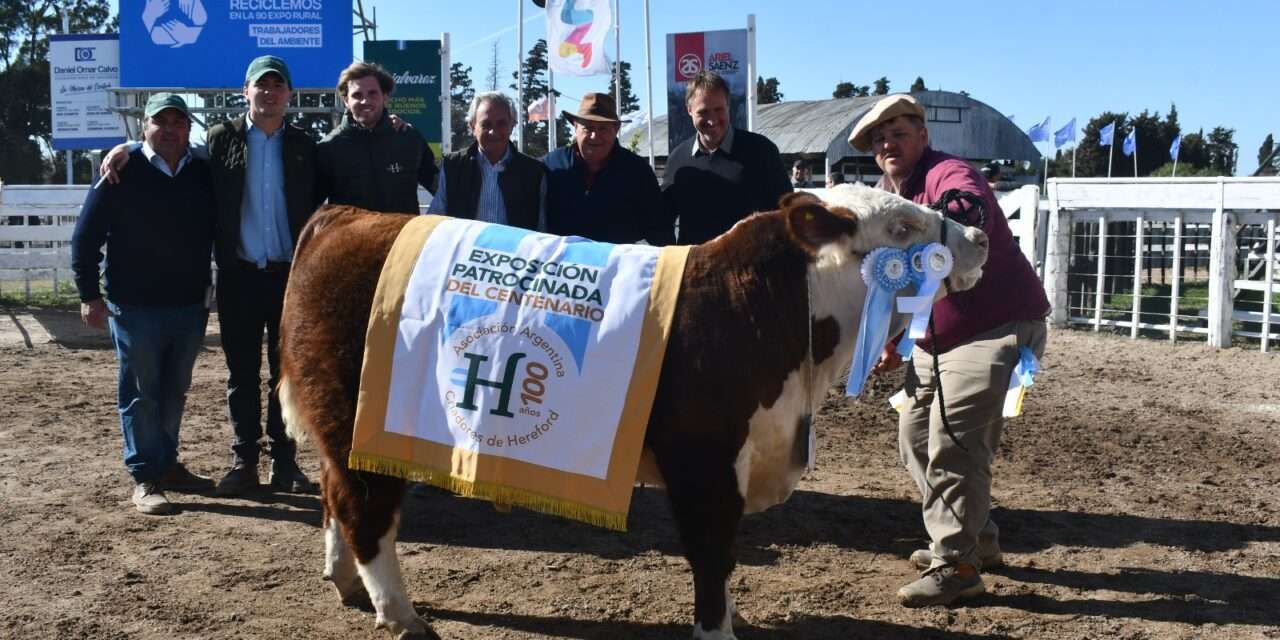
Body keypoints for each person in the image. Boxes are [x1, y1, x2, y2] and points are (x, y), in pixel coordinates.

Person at [849, 94, 1051, 607]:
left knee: (955, 442)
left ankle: (957, 566)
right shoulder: (888, 192)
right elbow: (890, 280)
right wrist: (893, 339)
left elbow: (967, 208)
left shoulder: (948, 172)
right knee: (915, 435)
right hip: (936, 335)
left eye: (898, 132)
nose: (888, 143)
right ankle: (974, 538)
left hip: (995, 327)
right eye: (879, 139)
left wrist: (940, 218)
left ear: (923, 135)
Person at [70, 93, 217, 515]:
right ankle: (144, 475)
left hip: (189, 304)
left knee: (175, 391)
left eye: (178, 121)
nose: (169, 129)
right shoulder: (121, 171)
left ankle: (167, 464)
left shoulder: (203, 171)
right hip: (134, 306)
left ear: (189, 127)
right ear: (145, 126)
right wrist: (88, 295)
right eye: (160, 122)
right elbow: (85, 239)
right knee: (140, 393)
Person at [661, 71, 792, 245]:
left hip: (749, 266)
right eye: (703, 112)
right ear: (689, 110)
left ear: (728, 105)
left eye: (718, 110)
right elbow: (662, 220)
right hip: (696, 267)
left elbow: (785, 212)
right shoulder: (677, 160)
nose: (712, 119)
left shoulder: (761, 151)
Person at [542, 92, 673, 245]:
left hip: (618, 266)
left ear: (616, 129)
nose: (594, 136)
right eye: (588, 128)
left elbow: (659, 229)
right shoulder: (552, 164)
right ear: (575, 127)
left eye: (603, 128)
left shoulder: (637, 171)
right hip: (564, 265)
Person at [315, 61, 437, 213]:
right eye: (357, 95)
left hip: (402, 236)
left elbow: (442, 190)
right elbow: (308, 206)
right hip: (352, 237)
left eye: (372, 93)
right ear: (346, 101)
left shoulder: (409, 139)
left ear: (385, 97)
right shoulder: (328, 148)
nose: (365, 101)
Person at [428, 91, 545, 230]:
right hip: (466, 250)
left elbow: (542, 229)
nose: (493, 132)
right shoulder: (453, 166)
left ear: (512, 126)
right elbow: (435, 219)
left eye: (501, 124)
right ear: (472, 127)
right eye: (486, 124)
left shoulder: (533, 172)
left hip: (514, 251)